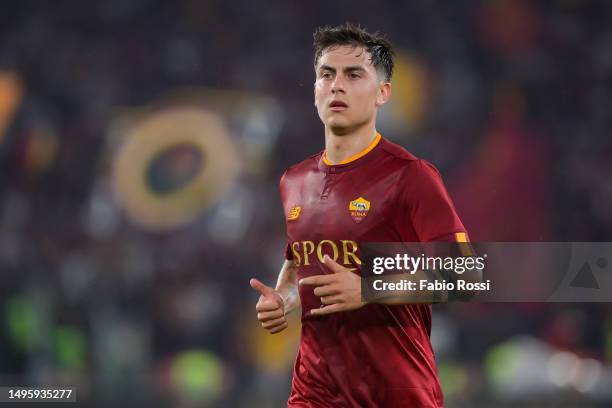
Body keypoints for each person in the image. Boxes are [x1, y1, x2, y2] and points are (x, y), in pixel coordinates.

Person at [250, 22, 468, 408]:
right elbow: (301, 262)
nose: (337, 85)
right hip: (314, 395)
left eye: (354, 75)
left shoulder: (410, 176)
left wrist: (368, 288)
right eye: (326, 74)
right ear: (315, 89)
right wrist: (283, 299)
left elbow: (465, 276)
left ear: (383, 93)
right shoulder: (295, 180)